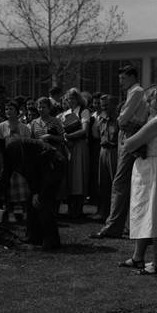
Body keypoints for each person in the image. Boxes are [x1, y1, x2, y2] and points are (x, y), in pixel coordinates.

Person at [118, 84, 157, 275]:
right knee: (145, 211)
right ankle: (138, 256)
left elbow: (129, 144)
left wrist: (128, 140)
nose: (147, 105)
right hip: (156, 167)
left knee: (156, 214)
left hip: (155, 168)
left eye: (150, 101)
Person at [0, 132, 65, 250]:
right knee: (32, 204)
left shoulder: (12, 145)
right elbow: (5, 174)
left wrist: (36, 191)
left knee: (42, 203)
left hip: (52, 165)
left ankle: (52, 243)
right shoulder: (7, 149)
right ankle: (34, 238)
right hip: (44, 168)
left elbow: (28, 167)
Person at [90, 66, 147, 238]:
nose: (120, 82)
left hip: (129, 136)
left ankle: (112, 227)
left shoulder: (136, 91)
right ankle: (122, 225)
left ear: (131, 77)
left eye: (123, 78)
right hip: (129, 135)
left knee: (120, 182)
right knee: (124, 182)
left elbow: (122, 119)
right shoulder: (134, 92)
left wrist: (124, 120)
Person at [30, 96, 68, 210]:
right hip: (40, 154)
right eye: (39, 107)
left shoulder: (56, 121)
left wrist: (50, 136)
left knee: (55, 180)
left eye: (44, 107)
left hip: (54, 152)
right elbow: (32, 139)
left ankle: (55, 208)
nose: (41, 109)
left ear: (49, 108)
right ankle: (43, 207)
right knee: (42, 181)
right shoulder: (33, 123)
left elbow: (63, 138)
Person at [0, 101, 31, 222]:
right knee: (8, 187)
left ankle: (25, 212)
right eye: (6, 109)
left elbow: (28, 144)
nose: (8, 111)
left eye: (11, 109)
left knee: (23, 187)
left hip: (20, 161)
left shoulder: (25, 127)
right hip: (6, 160)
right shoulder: (1, 126)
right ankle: (10, 212)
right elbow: (0, 145)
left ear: (17, 112)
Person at [63, 88, 90, 218]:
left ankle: (79, 208)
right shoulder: (65, 113)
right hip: (69, 147)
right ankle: (70, 208)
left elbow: (84, 130)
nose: (71, 101)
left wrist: (69, 137)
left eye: (73, 98)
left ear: (78, 99)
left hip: (79, 145)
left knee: (79, 176)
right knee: (69, 175)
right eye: (69, 99)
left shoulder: (84, 112)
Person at [96, 95, 119, 222]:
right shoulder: (101, 119)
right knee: (103, 183)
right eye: (102, 105)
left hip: (114, 151)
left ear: (113, 105)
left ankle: (114, 214)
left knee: (114, 183)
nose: (104, 107)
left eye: (106, 105)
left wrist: (113, 144)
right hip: (103, 152)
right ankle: (104, 211)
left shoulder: (119, 120)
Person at [88, 91, 104, 215]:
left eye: (99, 103)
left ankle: (103, 207)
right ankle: (96, 205)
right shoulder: (92, 116)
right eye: (95, 103)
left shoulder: (105, 116)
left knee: (102, 176)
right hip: (93, 145)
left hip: (102, 144)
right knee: (94, 175)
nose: (97, 105)